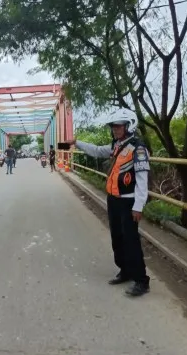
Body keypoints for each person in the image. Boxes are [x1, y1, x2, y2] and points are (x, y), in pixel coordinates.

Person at [66, 108, 150, 297]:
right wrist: (77, 142)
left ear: (129, 126)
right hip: (114, 200)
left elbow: (143, 180)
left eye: (118, 126)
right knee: (117, 238)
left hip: (129, 202)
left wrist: (139, 206)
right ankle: (125, 270)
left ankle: (141, 280)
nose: (115, 129)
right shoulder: (116, 146)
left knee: (131, 241)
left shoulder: (138, 149)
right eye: (113, 126)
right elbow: (96, 151)